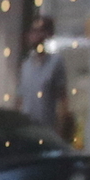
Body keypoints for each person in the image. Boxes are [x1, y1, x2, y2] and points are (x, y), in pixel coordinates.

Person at [16, 16, 74, 144]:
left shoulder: (55, 63)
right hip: (27, 132)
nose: (35, 35)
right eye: (33, 31)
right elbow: (20, 98)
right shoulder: (26, 65)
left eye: (39, 31)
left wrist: (60, 132)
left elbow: (62, 99)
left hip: (47, 131)